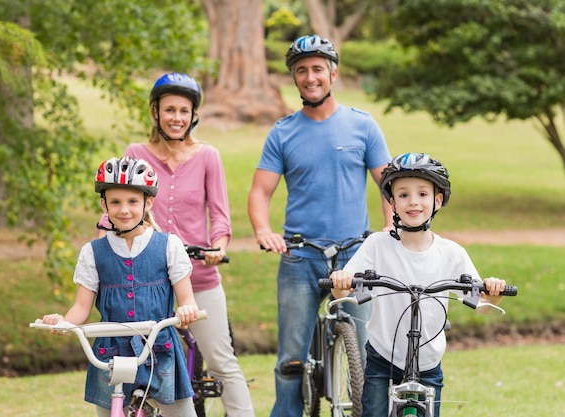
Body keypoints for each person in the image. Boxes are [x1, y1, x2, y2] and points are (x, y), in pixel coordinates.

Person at [247, 34, 394, 417]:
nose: (310, 77)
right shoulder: (283, 132)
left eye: (317, 69)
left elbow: (389, 184)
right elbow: (260, 192)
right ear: (293, 79)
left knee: (362, 352)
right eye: (301, 71)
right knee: (291, 359)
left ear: (332, 72)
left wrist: (389, 228)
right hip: (299, 255)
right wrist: (264, 230)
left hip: (355, 255)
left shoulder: (362, 126)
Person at [98, 72, 255, 416]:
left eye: (184, 111)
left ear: (193, 115)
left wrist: (218, 246)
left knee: (222, 361)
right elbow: (118, 210)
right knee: (131, 364)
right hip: (144, 282)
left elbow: (221, 217)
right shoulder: (136, 153)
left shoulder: (207, 156)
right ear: (155, 113)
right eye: (169, 110)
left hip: (197, 278)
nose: (177, 118)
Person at [329, 152, 508, 417]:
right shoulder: (377, 245)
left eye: (422, 194)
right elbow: (343, 292)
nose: (413, 202)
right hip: (382, 357)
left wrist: (493, 293)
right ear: (392, 203)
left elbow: (481, 304)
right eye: (403, 195)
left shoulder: (451, 253)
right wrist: (340, 280)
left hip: (427, 361)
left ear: (437, 201)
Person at [43, 156, 200, 417]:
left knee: (182, 413)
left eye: (132, 202)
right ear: (104, 203)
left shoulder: (168, 246)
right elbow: (81, 307)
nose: (123, 210)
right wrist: (63, 322)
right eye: (115, 202)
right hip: (110, 354)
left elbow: (187, 300)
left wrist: (186, 311)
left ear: (148, 202)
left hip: (159, 347)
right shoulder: (93, 252)